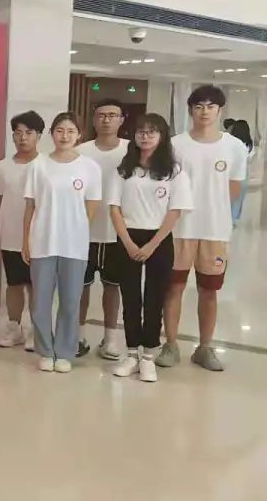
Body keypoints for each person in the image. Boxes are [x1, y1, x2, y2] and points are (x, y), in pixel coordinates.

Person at [158, 86, 248, 371]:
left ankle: (205, 347)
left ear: (220, 110)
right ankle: (171, 344)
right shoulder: (175, 145)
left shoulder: (234, 146)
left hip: (215, 230)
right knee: (174, 287)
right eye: (199, 106)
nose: (205, 111)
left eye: (210, 106)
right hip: (179, 229)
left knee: (209, 290)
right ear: (190, 110)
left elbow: (234, 188)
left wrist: (214, 209)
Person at [107, 114, 192, 382]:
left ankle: (148, 357)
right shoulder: (124, 170)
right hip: (127, 236)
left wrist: (152, 245)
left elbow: (175, 212)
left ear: (162, 136)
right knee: (131, 297)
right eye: (141, 131)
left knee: (155, 298)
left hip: (159, 238)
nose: (145, 136)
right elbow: (114, 208)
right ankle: (132, 353)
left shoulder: (174, 172)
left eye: (151, 132)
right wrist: (128, 242)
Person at [22, 113, 102, 374]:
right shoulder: (38, 165)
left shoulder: (89, 167)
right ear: (51, 134)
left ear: (79, 135)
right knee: (40, 302)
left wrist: (76, 228)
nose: (64, 136)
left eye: (70, 131)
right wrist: (26, 241)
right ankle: (45, 351)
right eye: (59, 130)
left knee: (70, 301)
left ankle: (65, 351)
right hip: (42, 240)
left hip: (74, 244)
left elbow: (92, 205)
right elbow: (30, 206)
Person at [76, 99, 129, 360]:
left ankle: (110, 339)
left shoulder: (131, 151)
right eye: (101, 115)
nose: (106, 120)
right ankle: (78, 336)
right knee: (80, 287)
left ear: (121, 120)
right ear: (94, 119)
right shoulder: (80, 151)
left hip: (117, 233)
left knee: (112, 287)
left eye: (112, 115)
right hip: (83, 232)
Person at [0, 110, 43, 350]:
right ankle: (14, 330)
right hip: (10, 235)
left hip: (38, 236)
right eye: (18, 133)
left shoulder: (45, 165)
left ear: (39, 136)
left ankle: (36, 331)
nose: (23, 137)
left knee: (36, 286)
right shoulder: (2, 166)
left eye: (29, 132)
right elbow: (0, 199)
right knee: (13, 284)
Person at [228, 120, 254, 224]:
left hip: (231, 172)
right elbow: (250, 159)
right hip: (244, 172)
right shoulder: (249, 144)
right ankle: (234, 218)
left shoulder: (231, 142)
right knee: (239, 197)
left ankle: (227, 218)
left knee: (229, 197)